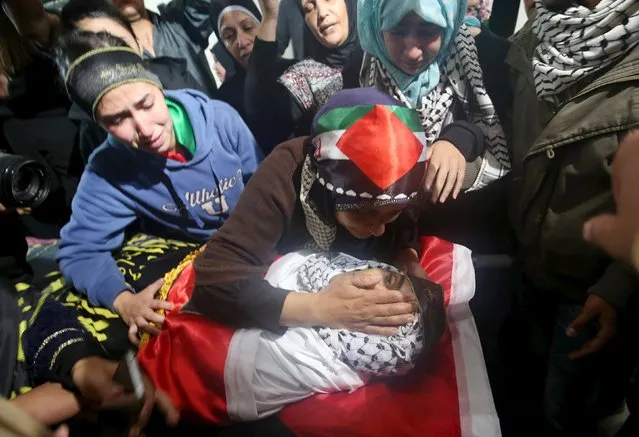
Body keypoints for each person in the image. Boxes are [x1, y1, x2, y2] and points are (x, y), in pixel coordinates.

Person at [55, 38, 261, 344]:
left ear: (159, 88)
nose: (146, 129)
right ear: (100, 125)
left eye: (146, 104)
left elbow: (260, 183)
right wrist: (123, 300)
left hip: (257, 241)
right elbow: (79, 251)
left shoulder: (220, 119)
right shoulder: (108, 171)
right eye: (118, 119)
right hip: (202, 260)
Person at [184, 88, 429, 336]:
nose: (378, 230)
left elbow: (404, 224)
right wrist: (324, 308)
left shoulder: (399, 191)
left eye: (391, 214)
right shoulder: (284, 176)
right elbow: (216, 279)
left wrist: (406, 256)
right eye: (362, 215)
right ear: (327, 190)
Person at [506, 1, 639, 435]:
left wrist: (617, 288)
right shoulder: (530, 42)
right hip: (529, 272)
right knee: (525, 396)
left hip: (592, 299)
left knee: (571, 414)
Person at [139, 250, 446, 423]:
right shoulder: (330, 263)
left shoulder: (310, 357)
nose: (374, 292)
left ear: (382, 347)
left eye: (384, 310)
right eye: (389, 280)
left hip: (153, 340)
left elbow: (214, 348)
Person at [358, 0, 511, 203]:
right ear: (377, 27)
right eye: (396, 30)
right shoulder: (362, 72)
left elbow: (496, 141)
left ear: (448, 24)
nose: (412, 51)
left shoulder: (486, 60)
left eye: (428, 31)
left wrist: (458, 141)